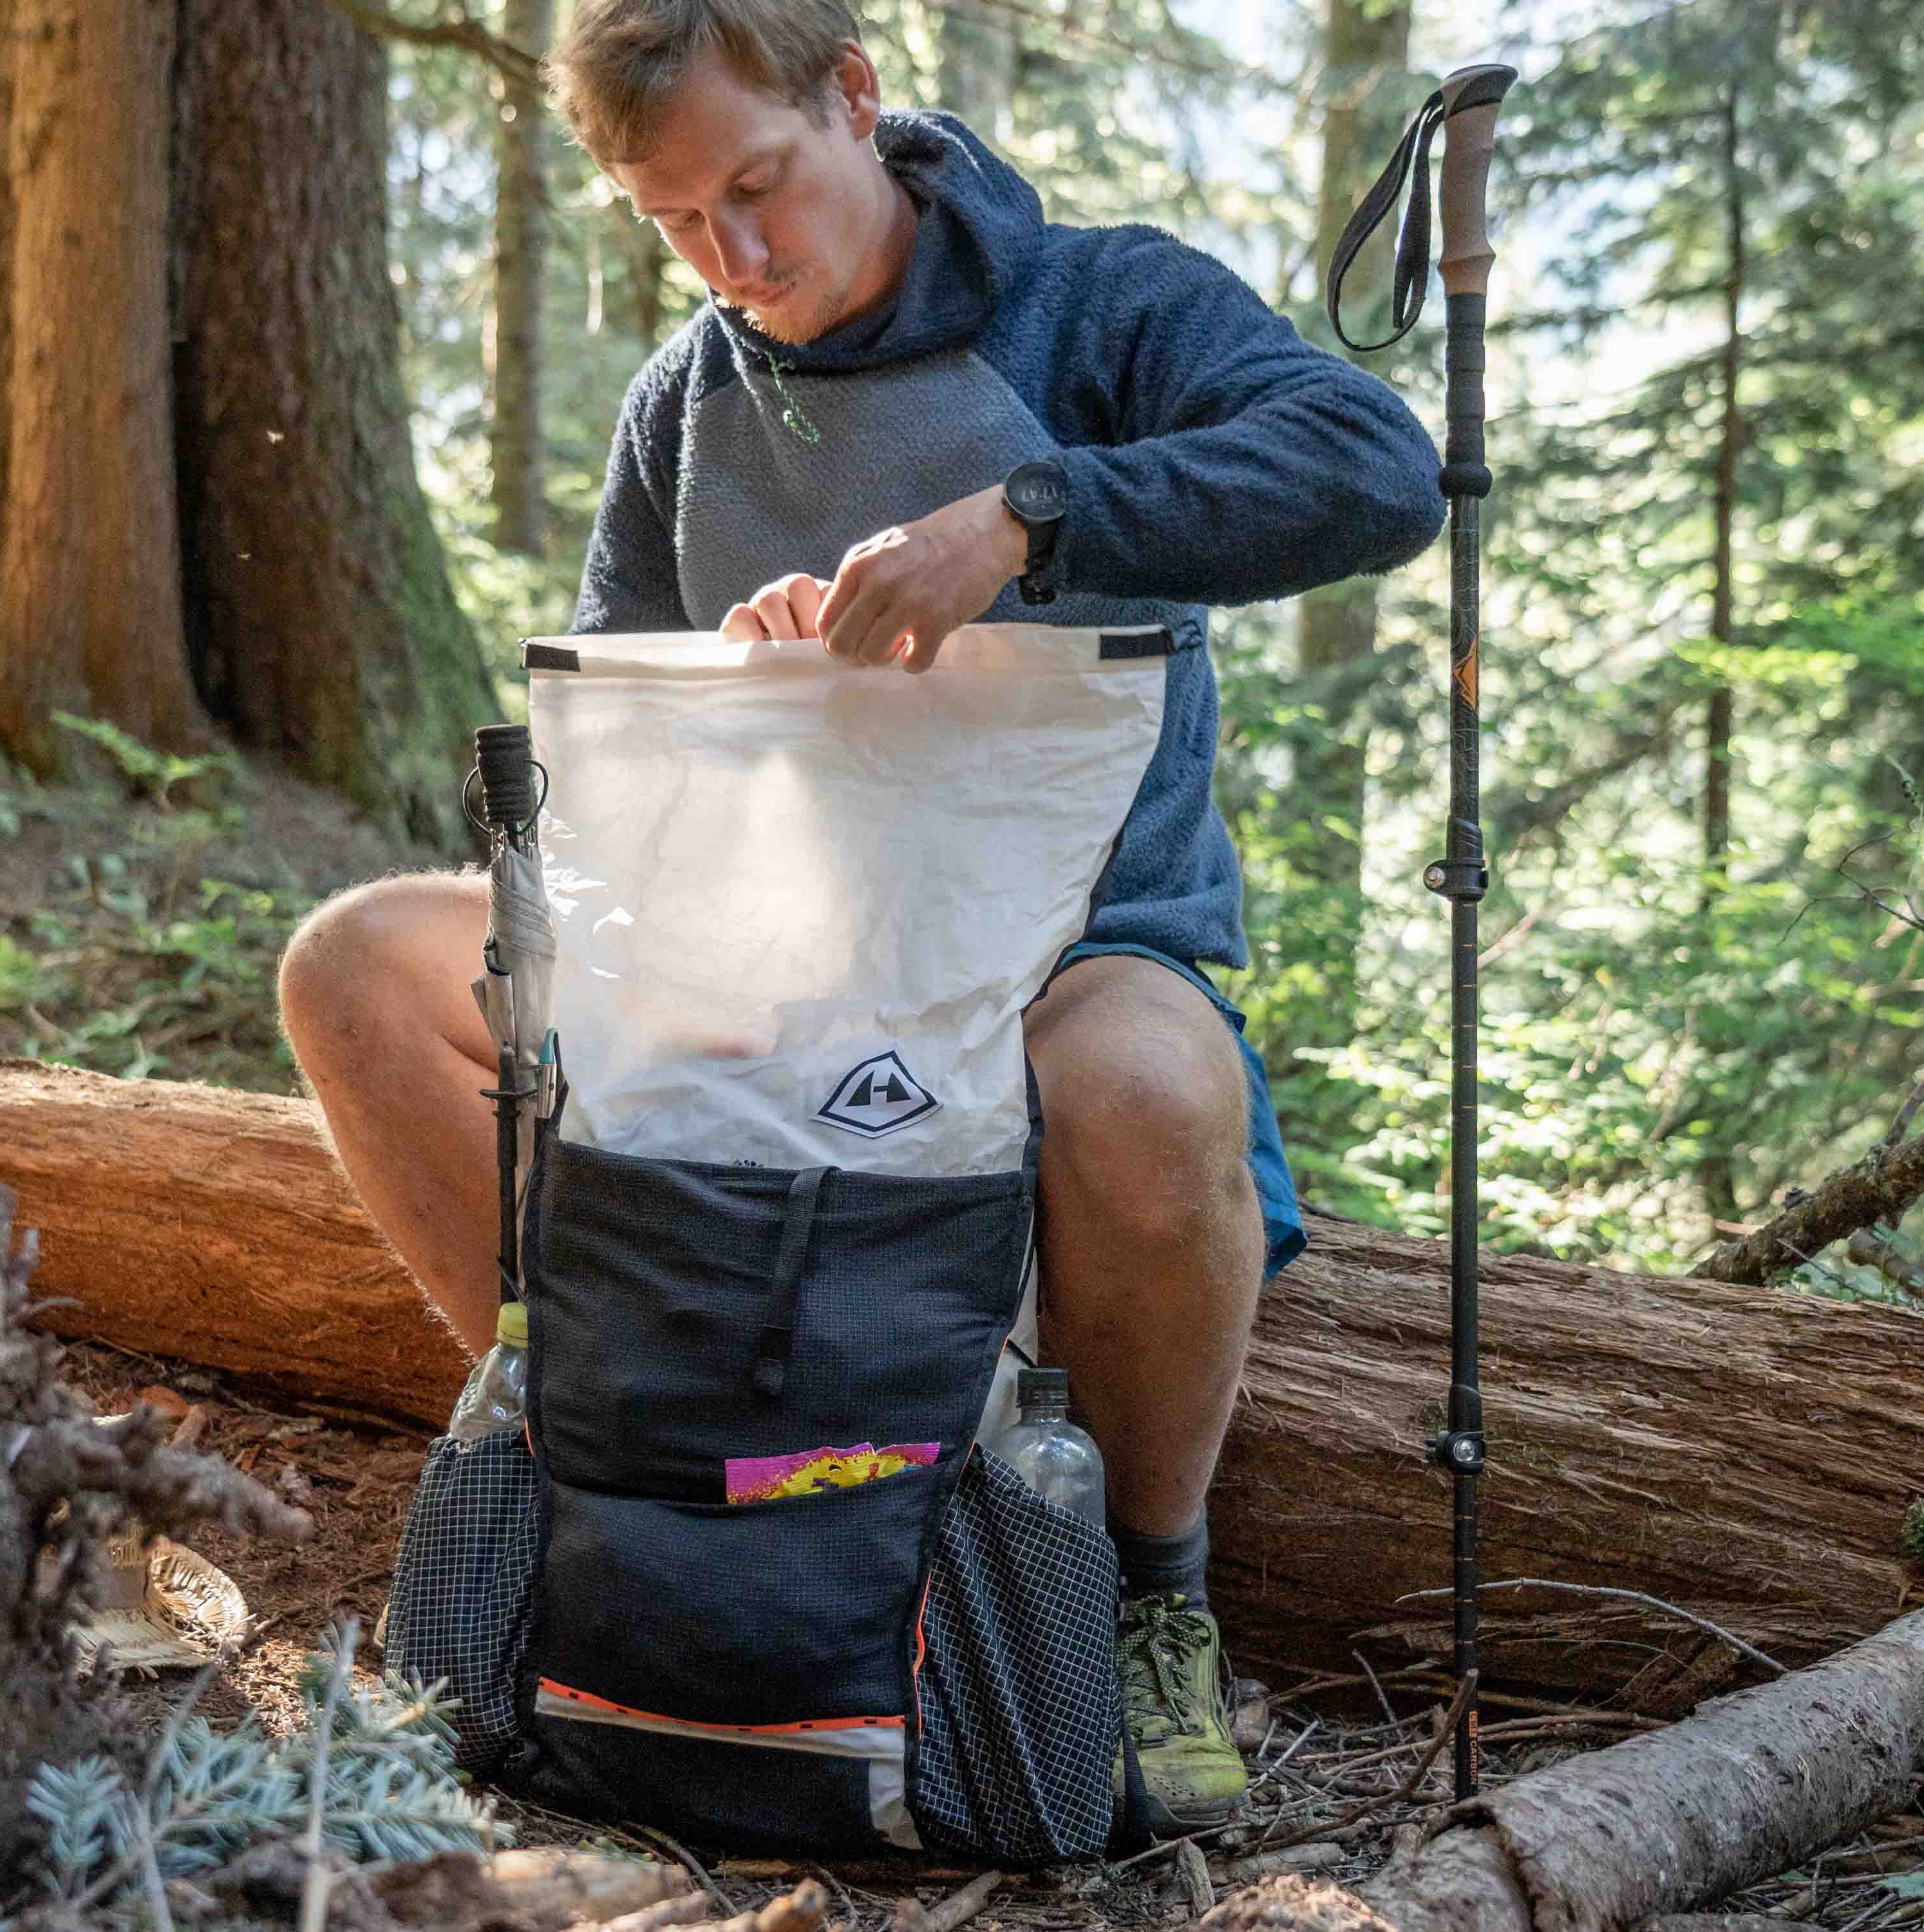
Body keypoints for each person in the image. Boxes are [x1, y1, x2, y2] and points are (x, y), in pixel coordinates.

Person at [276, 0, 1444, 1839]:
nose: (733, 261)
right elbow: (610, 780)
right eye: (676, 223)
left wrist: (1029, 520)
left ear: (857, 101)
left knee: (1148, 1081)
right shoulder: (688, 402)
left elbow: (1373, 469)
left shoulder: (1101, 307)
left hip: (1066, 953)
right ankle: (600, 1470)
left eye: (758, 188)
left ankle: (1143, 1602)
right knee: (360, 970)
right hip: (768, 960)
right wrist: (717, 706)